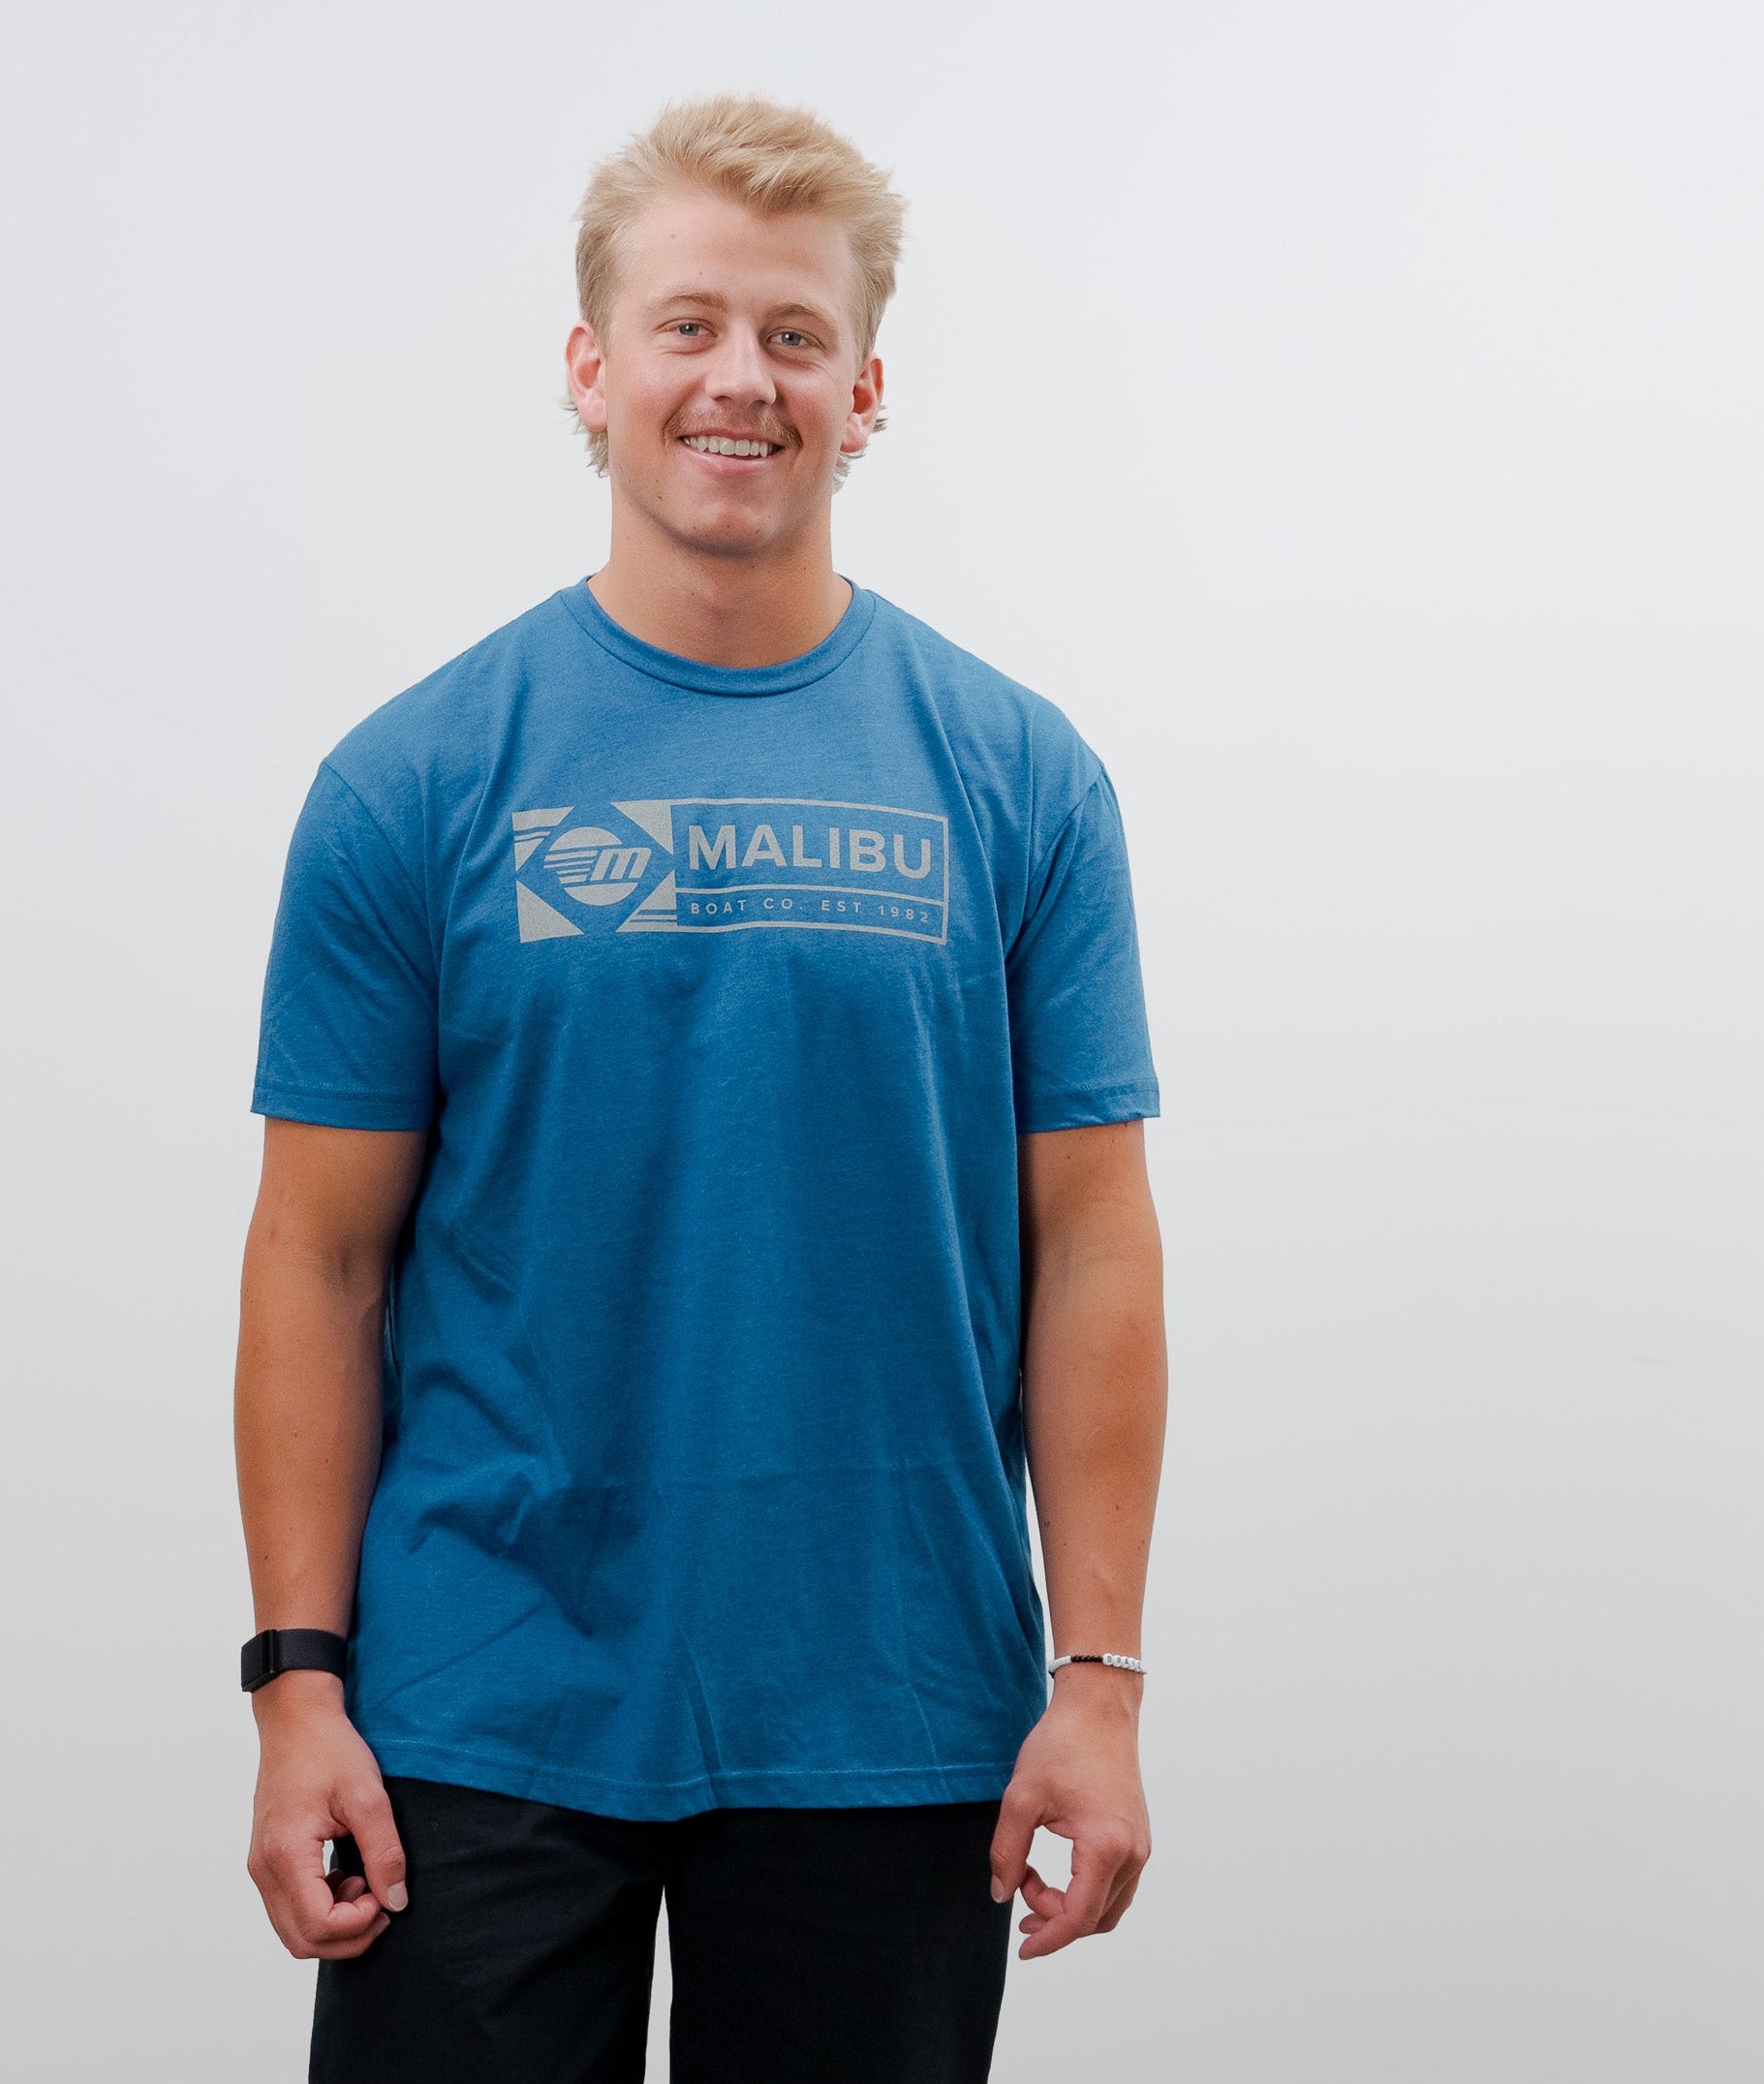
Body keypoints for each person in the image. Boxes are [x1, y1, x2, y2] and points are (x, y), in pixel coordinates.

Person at [234, 93, 1167, 2084]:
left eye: (794, 334)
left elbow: (1092, 1241)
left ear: (864, 389)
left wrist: (1098, 1680)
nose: (741, 376)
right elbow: (318, 1257)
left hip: (888, 1698)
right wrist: (296, 1686)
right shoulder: (413, 782)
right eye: (687, 325)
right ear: (592, 368)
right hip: (480, 1702)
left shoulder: (1021, 780)